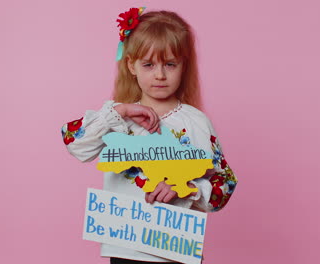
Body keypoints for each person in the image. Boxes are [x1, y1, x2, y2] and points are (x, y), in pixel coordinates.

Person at [61, 7, 238, 264]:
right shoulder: (117, 117)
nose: (160, 75)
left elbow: (226, 183)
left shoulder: (196, 122)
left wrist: (187, 188)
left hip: (176, 252)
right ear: (131, 65)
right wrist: (120, 111)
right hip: (126, 249)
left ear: (183, 66)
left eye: (170, 64)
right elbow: (73, 142)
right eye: (148, 64)